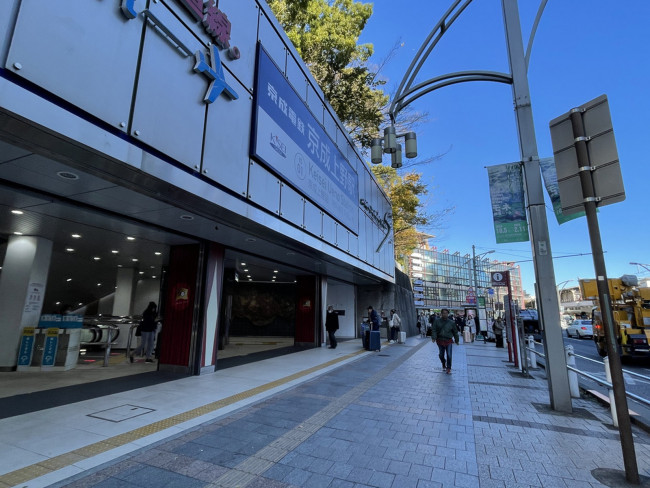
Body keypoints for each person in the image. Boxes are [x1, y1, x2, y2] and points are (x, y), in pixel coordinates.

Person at [431, 308, 459, 374]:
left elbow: (455, 332)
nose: (445, 314)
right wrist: (434, 337)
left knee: (449, 355)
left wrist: (457, 340)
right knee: (441, 354)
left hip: (448, 340)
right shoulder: (437, 321)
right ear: (441, 314)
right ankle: (443, 362)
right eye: (443, 313)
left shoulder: (451, 322)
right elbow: (434, 329)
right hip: (440, 340)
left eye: (446, 313)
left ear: (448, 314)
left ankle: (448, 368)